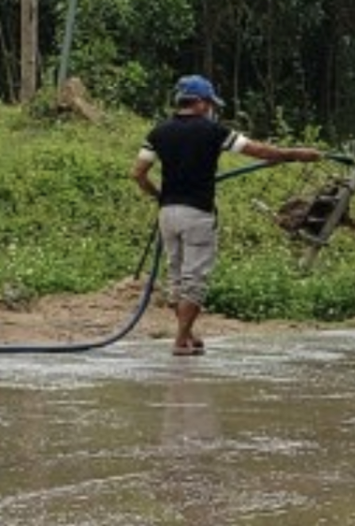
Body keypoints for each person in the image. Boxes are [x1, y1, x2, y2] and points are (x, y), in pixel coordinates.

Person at [130, 74, 323, 355]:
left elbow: (137, 173)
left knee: (176, 275)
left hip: (168, 214)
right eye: (209, 103)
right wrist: (295, 153)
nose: (211, 109)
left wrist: (158, 195)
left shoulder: (158, 133)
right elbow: (257, 149)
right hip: (197, 214)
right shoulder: (213, 131)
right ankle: (180, 341)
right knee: (195, 279)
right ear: (201, 103)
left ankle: (188, 333)